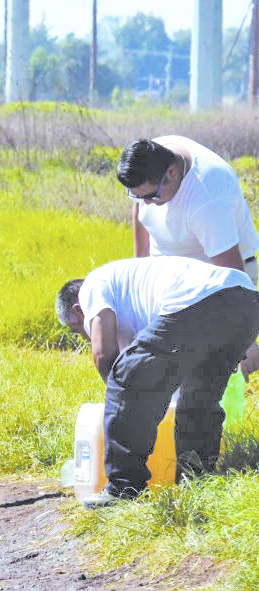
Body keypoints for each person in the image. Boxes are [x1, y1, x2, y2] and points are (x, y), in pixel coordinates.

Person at [55, 257, 259, 506]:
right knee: (198, 401)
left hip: (199, 301)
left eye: (77, 329)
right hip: (246, 301)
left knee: (124, 380)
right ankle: (196, 487)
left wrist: (118, 399)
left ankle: (124, 490)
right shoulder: (130, 294)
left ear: (78, 310)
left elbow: (103, 354)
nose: (84, 335)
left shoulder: (92, 287)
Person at [117, 137, 259, 376]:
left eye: (151, 196)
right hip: (171, 275)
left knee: (213, 367)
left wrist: (243, 338)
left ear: (172, 173)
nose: (146, 204)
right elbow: (140, 207)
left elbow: (233, 278)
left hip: (216, 279)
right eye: (137, 197)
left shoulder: (207, 199)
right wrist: (140, 271)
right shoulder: (150, 159)